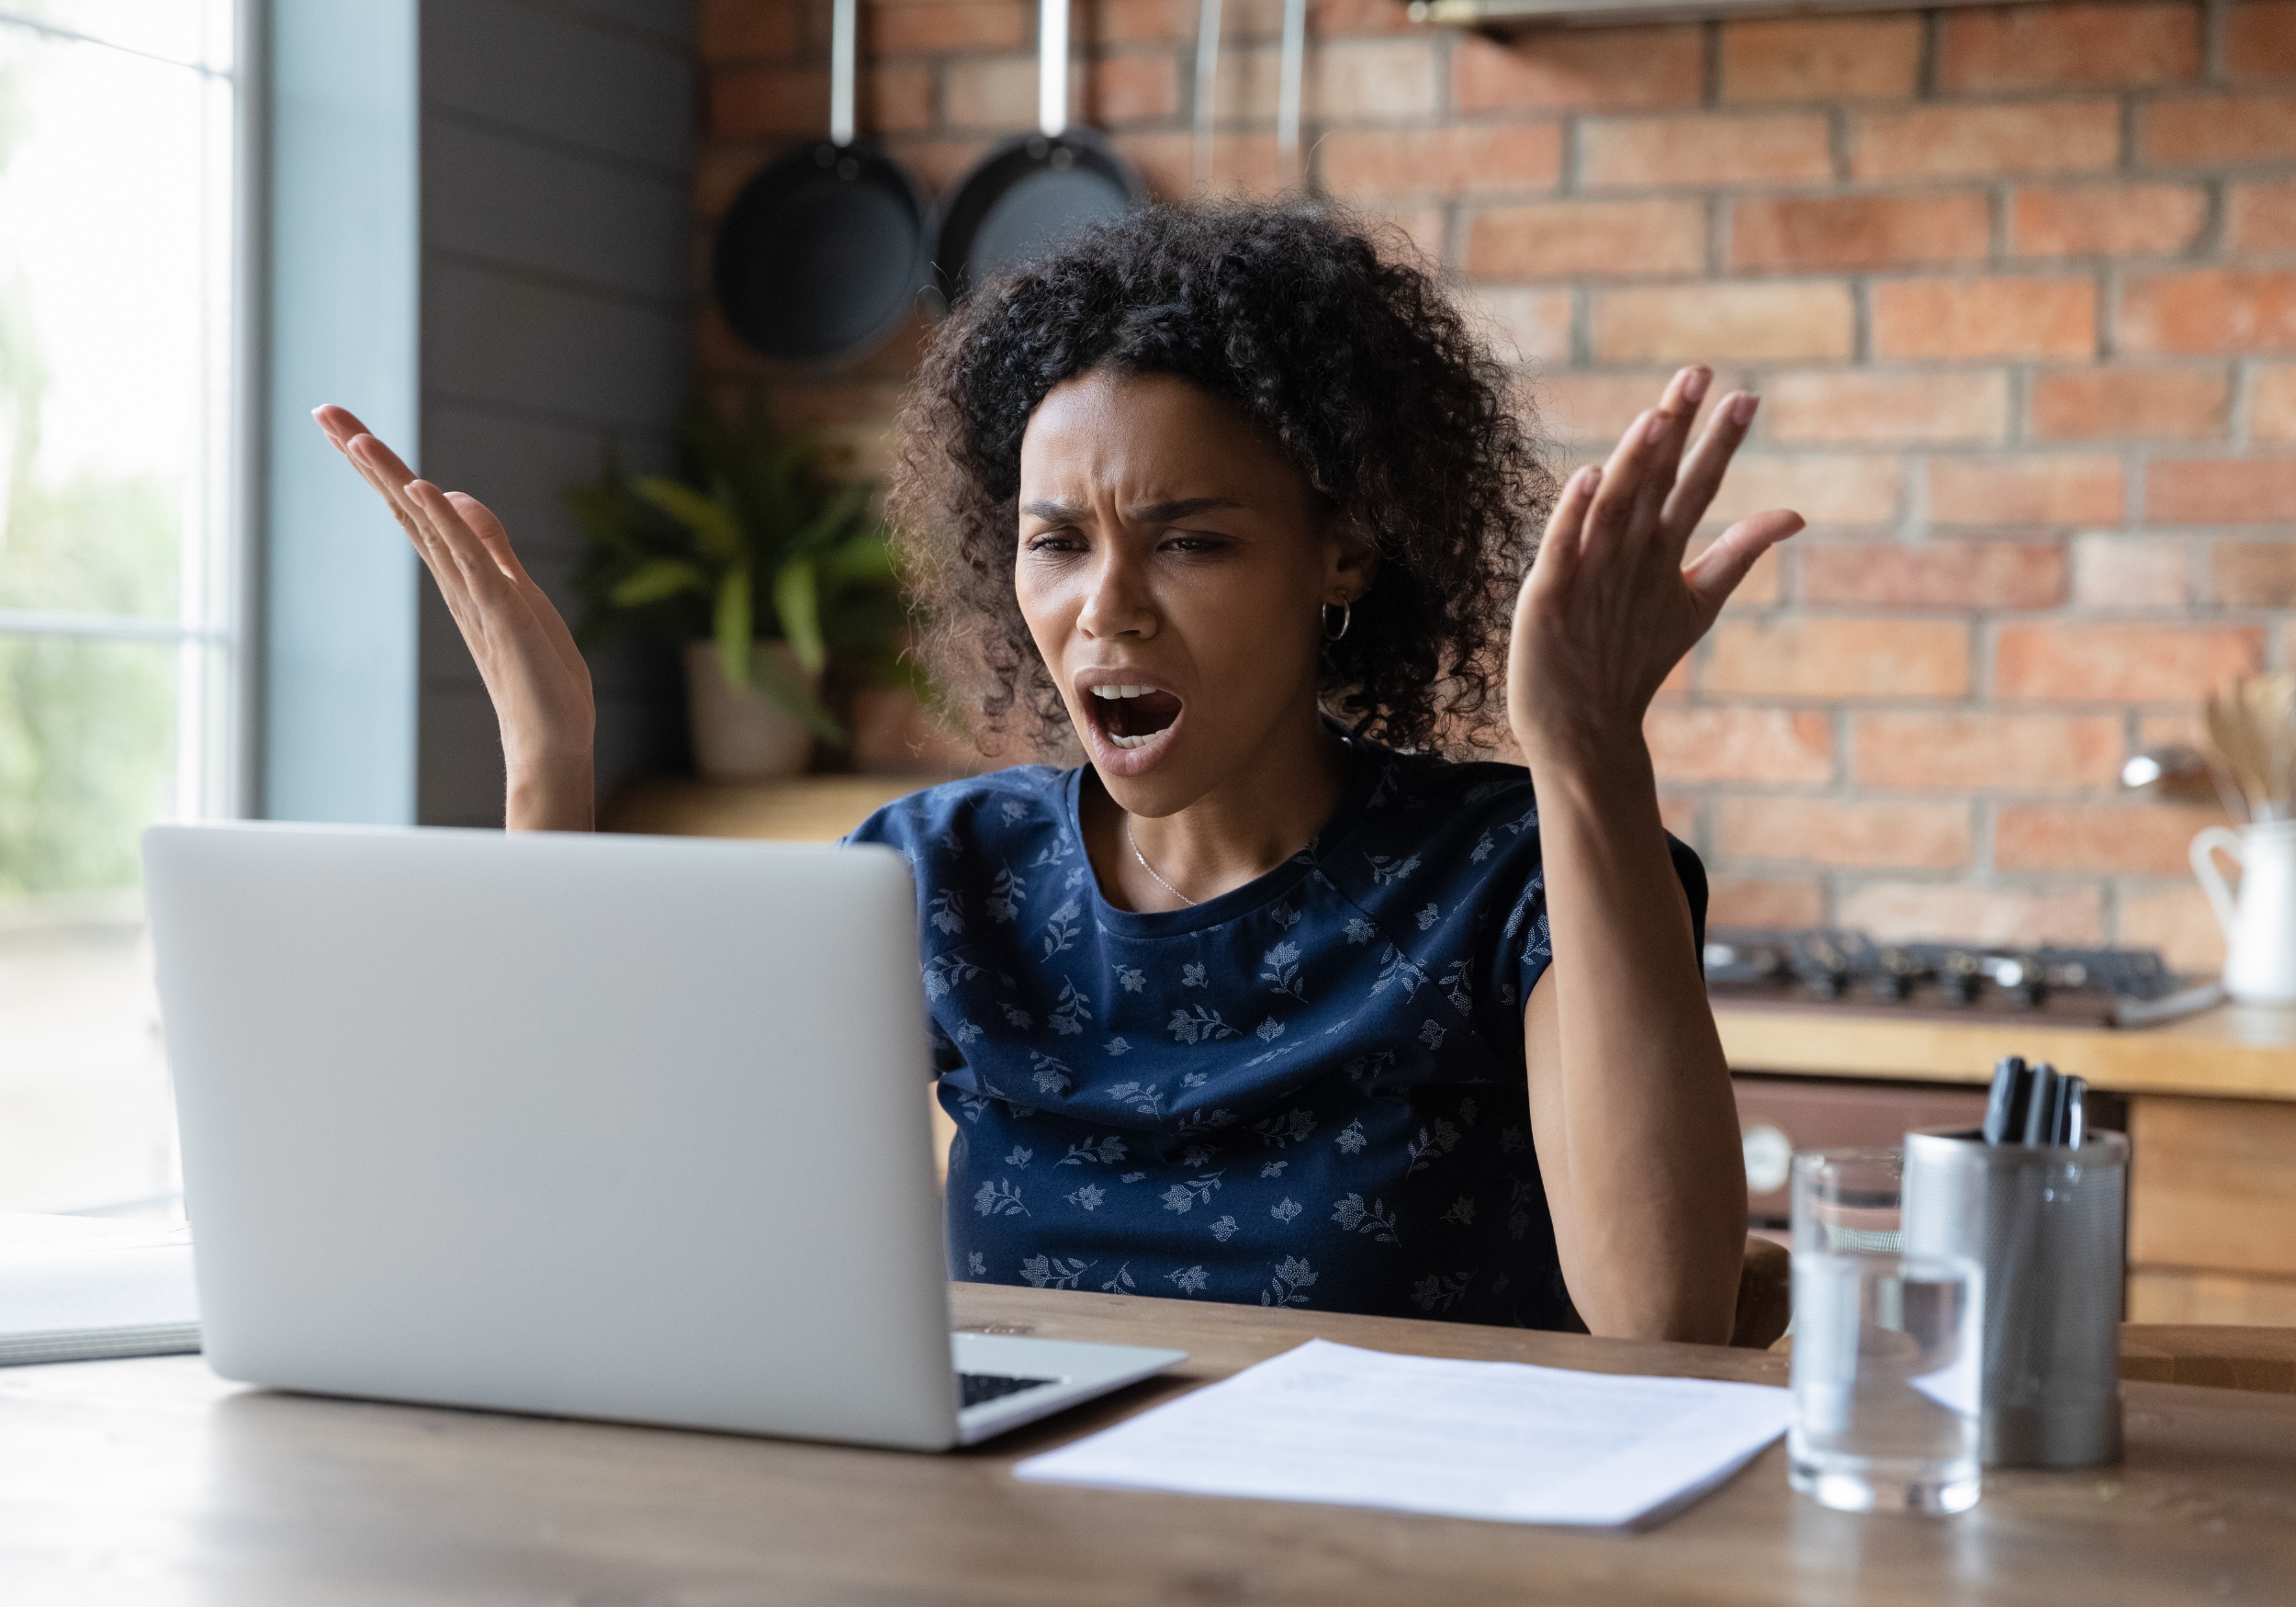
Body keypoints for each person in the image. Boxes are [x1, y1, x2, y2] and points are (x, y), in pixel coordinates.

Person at [313, 200, 1802, 1344]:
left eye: (1191, 538)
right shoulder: (942, 873)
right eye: (1058, 540)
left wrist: (1590, 749)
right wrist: (548, 766)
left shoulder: (1511, 869)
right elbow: (630, 1216)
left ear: (1340, 550)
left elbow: (1662, 1315)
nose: (1109, 607)